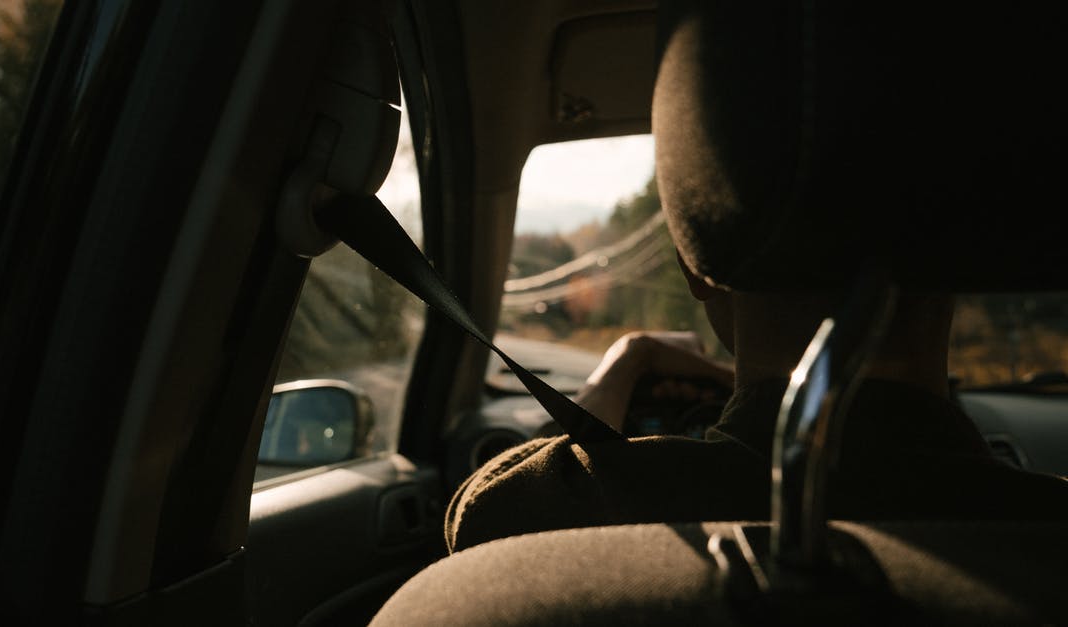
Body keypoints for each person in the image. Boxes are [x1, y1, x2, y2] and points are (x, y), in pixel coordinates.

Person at [443, 29, 1068, 555]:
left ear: (697, 269)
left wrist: (624, 364)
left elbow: (480, 517)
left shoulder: (551, 523)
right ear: (969, 257)